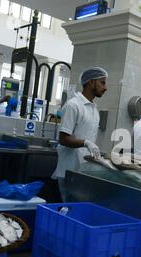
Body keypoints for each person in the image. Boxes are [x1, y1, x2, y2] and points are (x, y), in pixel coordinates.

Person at [52, 67, 108, 202]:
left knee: (78, 210)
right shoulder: (73, 105)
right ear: (90, 82)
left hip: (84, 170)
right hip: (70, 171)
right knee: (70, 209)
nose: (105, 87)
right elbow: (63, 139)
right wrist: (86, 143)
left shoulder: (93, 108)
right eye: (102, 83)